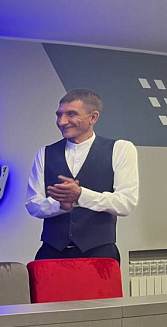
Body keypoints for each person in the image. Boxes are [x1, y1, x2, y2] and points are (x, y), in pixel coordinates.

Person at [25, 89, 138, 263]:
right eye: (59, 115)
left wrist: (80, 195)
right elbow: (33, 205)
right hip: (52, 253)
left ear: (93, 117)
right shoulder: (45, 153)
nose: (62, 122)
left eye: (71, 114)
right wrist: (60, 205)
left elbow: (126, 203)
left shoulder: (121, 149)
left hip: (100, 255)